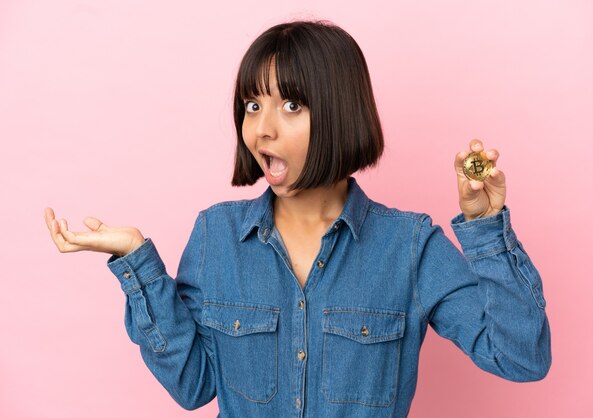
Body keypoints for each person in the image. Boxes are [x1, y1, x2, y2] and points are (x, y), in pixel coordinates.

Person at [44, 20, 551, 417]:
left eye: (290, 104)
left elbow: (520, 359)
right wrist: (139, 265)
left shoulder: (410, 246)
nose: (261, 129)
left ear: (338, 111)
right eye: (251, 104)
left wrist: (487, 228)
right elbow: (193, 387)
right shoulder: (216, 236)